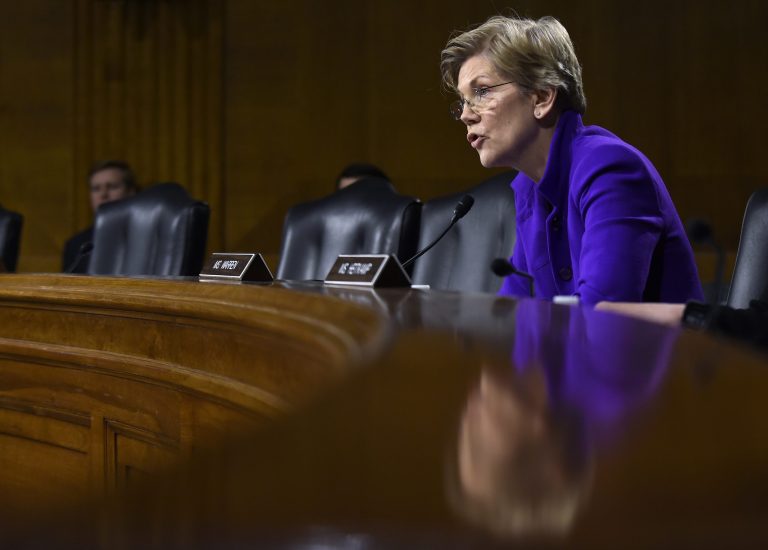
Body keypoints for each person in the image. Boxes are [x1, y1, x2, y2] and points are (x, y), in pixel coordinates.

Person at [440, 15, 703, 305]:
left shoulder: (610, 168)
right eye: (463, 101)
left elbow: (602, 312)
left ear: (541, 97)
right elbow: (510, 313)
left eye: (482, 91)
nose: (466, 114)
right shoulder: (528, 188)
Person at [62, 160, 137, 272]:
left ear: (131, 192)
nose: (103, 194)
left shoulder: (146, 237)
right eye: (96, 189)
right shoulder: (77, 245)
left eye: (112, 187)